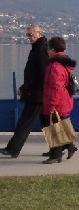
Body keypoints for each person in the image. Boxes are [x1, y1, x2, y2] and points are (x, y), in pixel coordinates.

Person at [1, 24, 49, 159]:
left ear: (39, 33)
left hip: (37, 94)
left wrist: (26, 88)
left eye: (31, 34)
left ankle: (13, 149)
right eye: (28, 34)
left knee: (25, 122)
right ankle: (59, 148)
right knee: (47, 123)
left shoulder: (40, 49)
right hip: (38, 93)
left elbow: (40, 74)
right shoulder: (39, 48)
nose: (28, 37)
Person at [40, 36, 78, 164]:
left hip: (57, 101)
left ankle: (55, 155)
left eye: (49, 49)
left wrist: (51, 105)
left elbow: (55, 88)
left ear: (52, 49)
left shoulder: (55, 66)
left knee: (52, 127)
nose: (48, 51)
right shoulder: (64, 63)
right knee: (58, 125)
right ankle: (68, 145)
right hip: (64, 100)